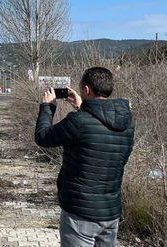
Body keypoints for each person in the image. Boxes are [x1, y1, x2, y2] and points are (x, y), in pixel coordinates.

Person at [35, 67, 135, 246]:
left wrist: (47, 107)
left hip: (80, 213)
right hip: (110, 212)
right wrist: (81, 106)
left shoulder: (77, 121)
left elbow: (43, 137)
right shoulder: (127, 122)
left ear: (86, 89)